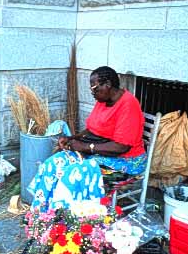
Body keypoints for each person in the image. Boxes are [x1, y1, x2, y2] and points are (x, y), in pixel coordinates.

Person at [28, 66, 147, 212]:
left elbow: (122, 147)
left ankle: (66, 218)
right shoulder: (103, 100)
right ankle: (40, 213)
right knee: (53, 163)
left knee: (73, 174)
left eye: (95, 88)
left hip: (126, 162)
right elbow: (92, 129)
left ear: (108, 85)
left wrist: (85, 147)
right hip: (100, 153)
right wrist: (72, 138)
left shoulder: (128, 105)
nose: (92, 93)